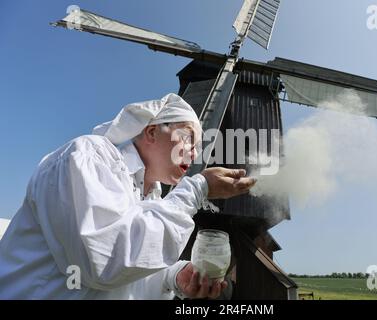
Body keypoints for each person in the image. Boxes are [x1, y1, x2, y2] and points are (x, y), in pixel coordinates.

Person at [0, 93, 256, 299]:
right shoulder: (90, 155)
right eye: (188, 137)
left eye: (198, 148)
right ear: (152, 131)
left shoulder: (153, 197)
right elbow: (104, 262)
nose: (193, 153)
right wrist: (197, 189)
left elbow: (134, 273)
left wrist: (175, 277)